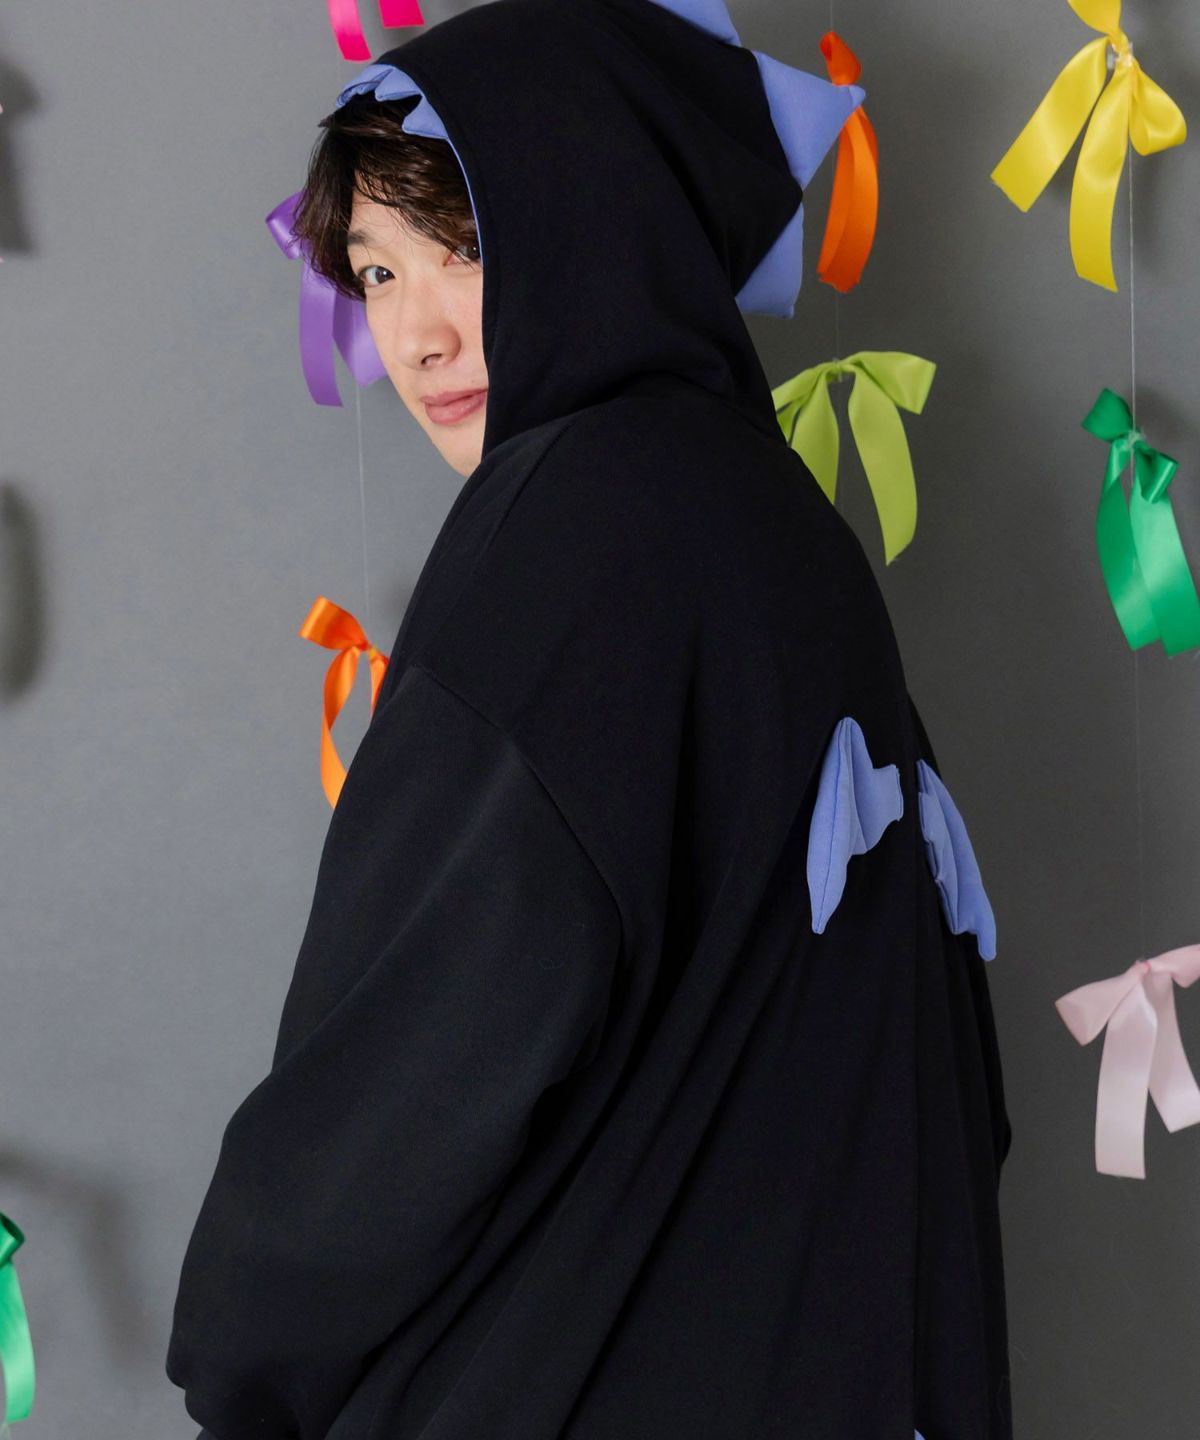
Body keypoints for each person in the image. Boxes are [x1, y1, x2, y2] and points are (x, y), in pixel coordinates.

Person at [165, 1, 1014, 1437]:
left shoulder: (571, 530)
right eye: (377, 272)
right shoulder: (781, 526)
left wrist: (243, 1363)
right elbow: (954, 1093)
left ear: (602, 224)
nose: (418, 335)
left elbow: (414, 1064)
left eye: (468, 247)